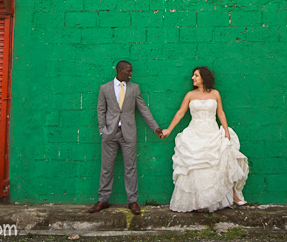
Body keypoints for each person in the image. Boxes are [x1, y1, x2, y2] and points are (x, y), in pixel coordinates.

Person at [160, 66, 249, 212]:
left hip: (212, 132)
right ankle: (199, 201)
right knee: (196, 167)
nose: (192, 78)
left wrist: (226, 131)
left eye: (196, 75)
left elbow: (220, 113)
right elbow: (180, 113)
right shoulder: (190, 95)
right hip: (194, 133)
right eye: (193, 75)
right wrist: (169, 129)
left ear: (204, 77)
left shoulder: (215, 93)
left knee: (222, 162)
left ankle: (234, 195)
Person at [88, 60, 162, 215]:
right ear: (120, 70)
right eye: (128, 71)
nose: (131, 74)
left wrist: (155, 127)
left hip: (128, 133)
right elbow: (100, 110)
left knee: (131, 167)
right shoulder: (105, 88)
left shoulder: (134, 88)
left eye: (131, 71)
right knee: (106, 168)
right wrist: (103, 130)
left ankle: (132, 201)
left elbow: (143, 109)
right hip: (110, 133)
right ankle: (103, 199)